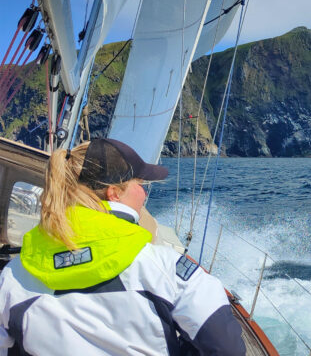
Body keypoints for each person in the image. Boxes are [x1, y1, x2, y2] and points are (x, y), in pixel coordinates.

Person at [0, 138, 246, 355]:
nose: (144, 195)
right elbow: (227, 347)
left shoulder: (13, 277)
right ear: (114, 193)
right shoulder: (163, 267)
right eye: (140, 184)